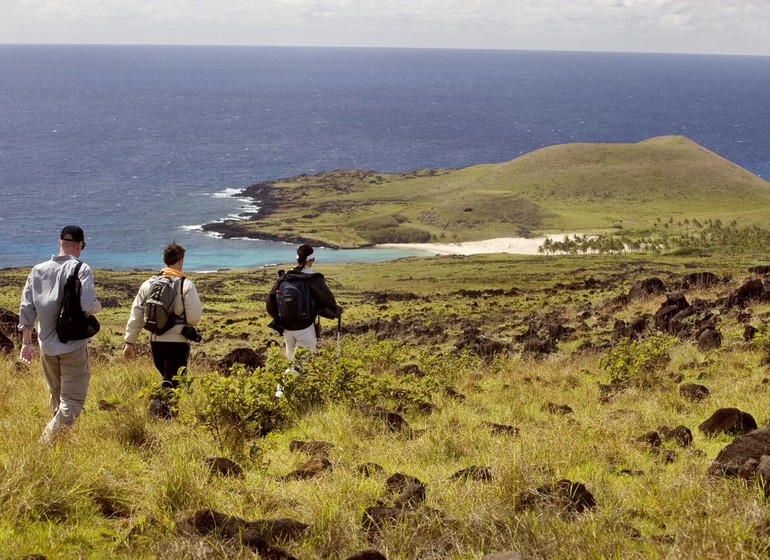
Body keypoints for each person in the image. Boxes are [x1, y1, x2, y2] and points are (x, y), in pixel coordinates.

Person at [18, 225, 102, 443]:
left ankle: (59, 449)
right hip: (72, 346)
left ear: (59, 243)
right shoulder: (81, 269)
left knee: (57, 397)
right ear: (79, 245)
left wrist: (26, 343)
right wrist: (96, 307)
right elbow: (85, 304)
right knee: (72, 401)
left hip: (46, 346)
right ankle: (44, 445)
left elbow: (26, 308)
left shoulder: (37, 270)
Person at [123, 242, 202, 418]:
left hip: (155, 341)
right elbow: (195, 317)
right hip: (177, 342)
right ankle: (157, 414)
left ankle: (166, 416)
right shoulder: (185, 284)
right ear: (180, 261)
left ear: (164, 260)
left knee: (168, 379)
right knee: (173, 381)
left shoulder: (148, 284)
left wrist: (130, 342)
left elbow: (136, 314)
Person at [266, 244, 342, 361]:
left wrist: (282, 318)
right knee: (299, 366)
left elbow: (270, 303)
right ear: (312, 260)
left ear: (297, 259)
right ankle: (284, 379)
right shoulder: (313, 279)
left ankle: (285, 378)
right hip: (305, 328)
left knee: (292, 363)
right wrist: (337, 310)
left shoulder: (284, 278)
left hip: (287, 329)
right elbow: (329, 302)